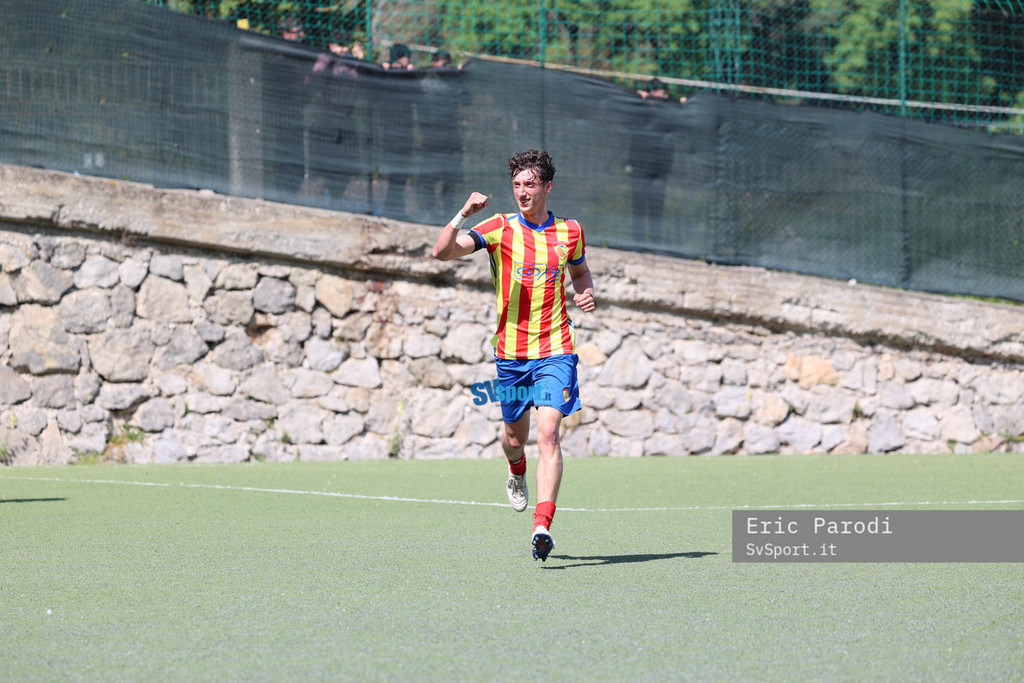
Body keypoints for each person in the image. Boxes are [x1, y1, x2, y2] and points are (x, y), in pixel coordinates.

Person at [431, 150, 597, 561]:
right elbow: (442, 253)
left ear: (547, 187)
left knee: (549, 434)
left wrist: (585, 292)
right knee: (514, 439)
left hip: (556, 349)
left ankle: (542, 526)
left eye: (530, 185)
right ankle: (516, 468)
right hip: (511, 355)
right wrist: (463, 214)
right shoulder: (499, 227)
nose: (522, 192)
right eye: (517, 185)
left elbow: (579, 272)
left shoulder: (570, 231)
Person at [304, 31, 368, 210]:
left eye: (344, 46)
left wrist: (358, 59)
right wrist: (331, 59)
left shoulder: (350, 63)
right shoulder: (325, 61)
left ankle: (339, 194)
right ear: (331, 46)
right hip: (328, 117)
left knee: (346, 159)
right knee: (327, 158)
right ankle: (328, 193)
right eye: (339, 46)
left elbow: (362, 75)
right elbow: (317, 75)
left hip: (347, 117)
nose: (342, 49)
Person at [627, 78, 686, 246]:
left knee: (656, 207)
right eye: (660, 93)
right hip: (640, 165)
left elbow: (679, 105)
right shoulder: (640, 109)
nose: (663, 96)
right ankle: (638, 243)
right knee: (638, 205)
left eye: (665, 94)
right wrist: (641, 98)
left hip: (660, 167)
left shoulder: (669, 111)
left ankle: (655, 243)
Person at [415, 50, 470, 223]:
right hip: (430, 137)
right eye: (442, 63)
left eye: (448, 64)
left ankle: (447, 214)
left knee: (450, 179)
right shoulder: (425, 83)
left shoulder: (453, 83)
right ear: (434, 63)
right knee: (429, 178)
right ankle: (430, 213)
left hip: (450, 137)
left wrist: (457, 78)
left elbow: (467, 100)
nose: (445, 67)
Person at [377, 43, 419, 219]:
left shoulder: (406, 76)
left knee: (401, 172)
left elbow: (417, 95)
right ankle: (392, 206)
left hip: (402, 129)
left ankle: (395, 205)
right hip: (392, 129)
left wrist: (411, 74)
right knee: (396, 170)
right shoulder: (386, 74)